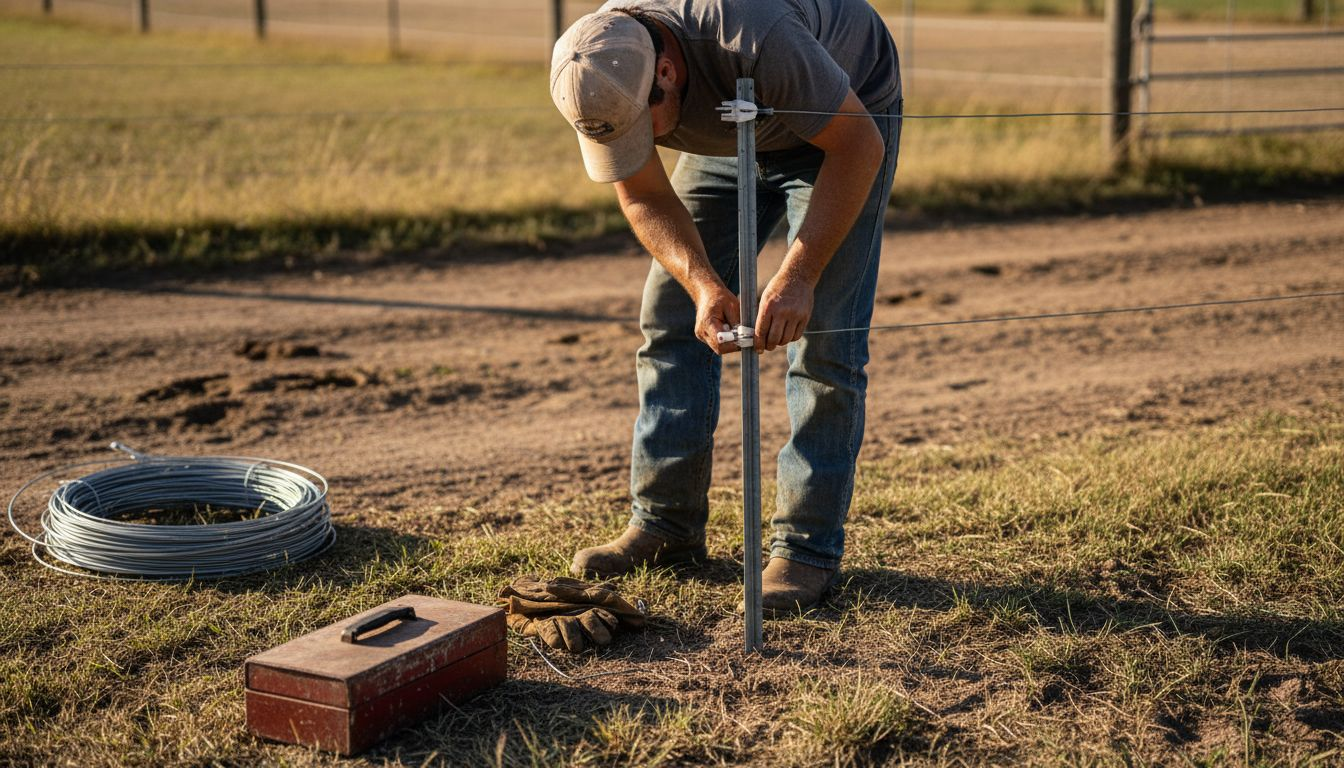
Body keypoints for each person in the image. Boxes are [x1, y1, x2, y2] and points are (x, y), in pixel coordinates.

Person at [551, 0, 902, 614]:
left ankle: (805, 551)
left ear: (665, 71)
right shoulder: (598, 60)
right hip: (728, 119)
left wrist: (799, 275)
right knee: (670, 319)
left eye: (644, 122)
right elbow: (640, 194)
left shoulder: (756, 39)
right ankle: (666, 525)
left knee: (824, 339)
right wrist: (703, 284)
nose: (649, 140)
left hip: (841, 124)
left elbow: (857, 146)